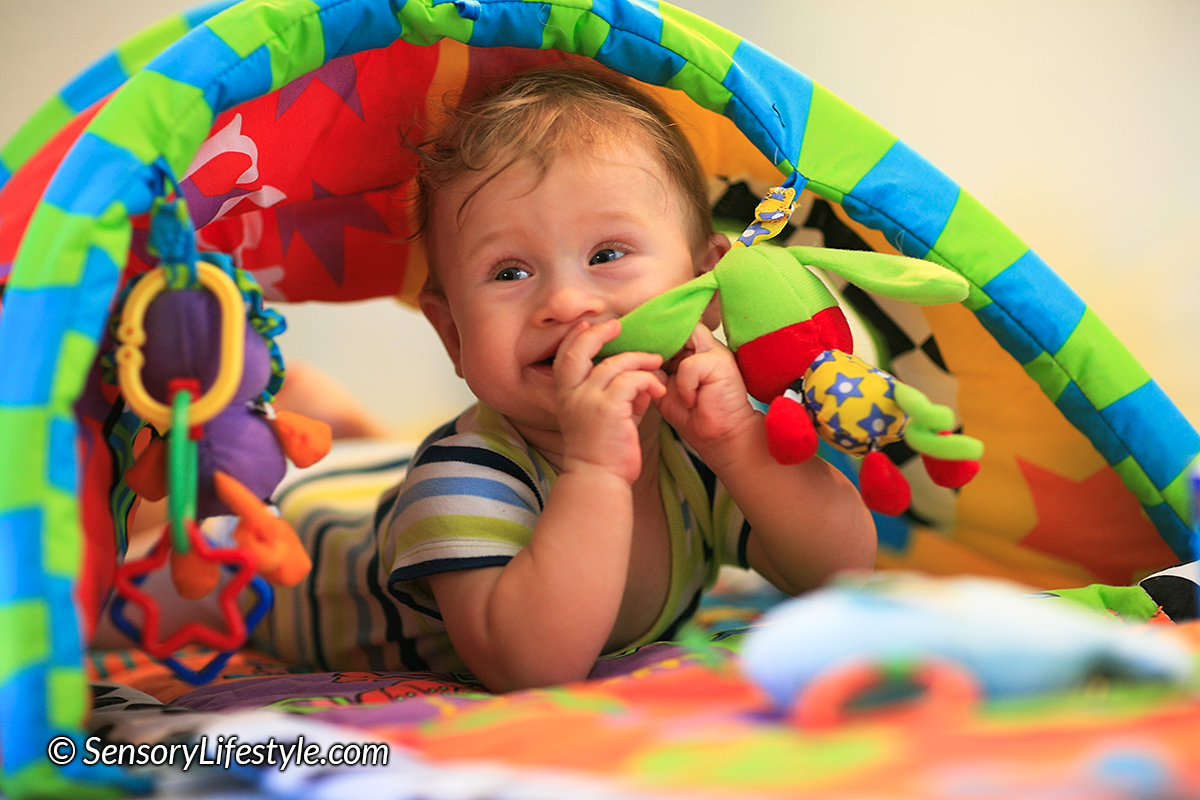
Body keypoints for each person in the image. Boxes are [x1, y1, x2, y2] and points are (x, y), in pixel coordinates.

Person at [364, 62, 876, 692]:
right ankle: (349, 426)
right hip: (308, 573)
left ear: (705, 287)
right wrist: (596, 470)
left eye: (606, 255)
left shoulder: (697, 447)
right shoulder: (464, 473)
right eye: (509, 272)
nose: (567, 301)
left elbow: (840, 570)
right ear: (452, 335)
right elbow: (530, 666)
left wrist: (741, 443)